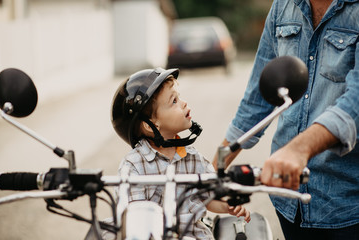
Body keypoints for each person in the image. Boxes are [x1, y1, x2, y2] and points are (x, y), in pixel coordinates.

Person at [213, 0, 359, 239]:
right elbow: (257, 99)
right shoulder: (283, 6)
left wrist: (298, 149)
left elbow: (355, 103)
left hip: (346, 207)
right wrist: (211, 171)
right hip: (287, 203)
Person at [111, 67, 250, 239]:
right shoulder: (134, 166)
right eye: (174, 101)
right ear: (151, 124)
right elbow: (134, 216)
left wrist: (227, 205)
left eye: (179, 97)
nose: (183, 103)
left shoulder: (192, 158)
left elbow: (209, 198)